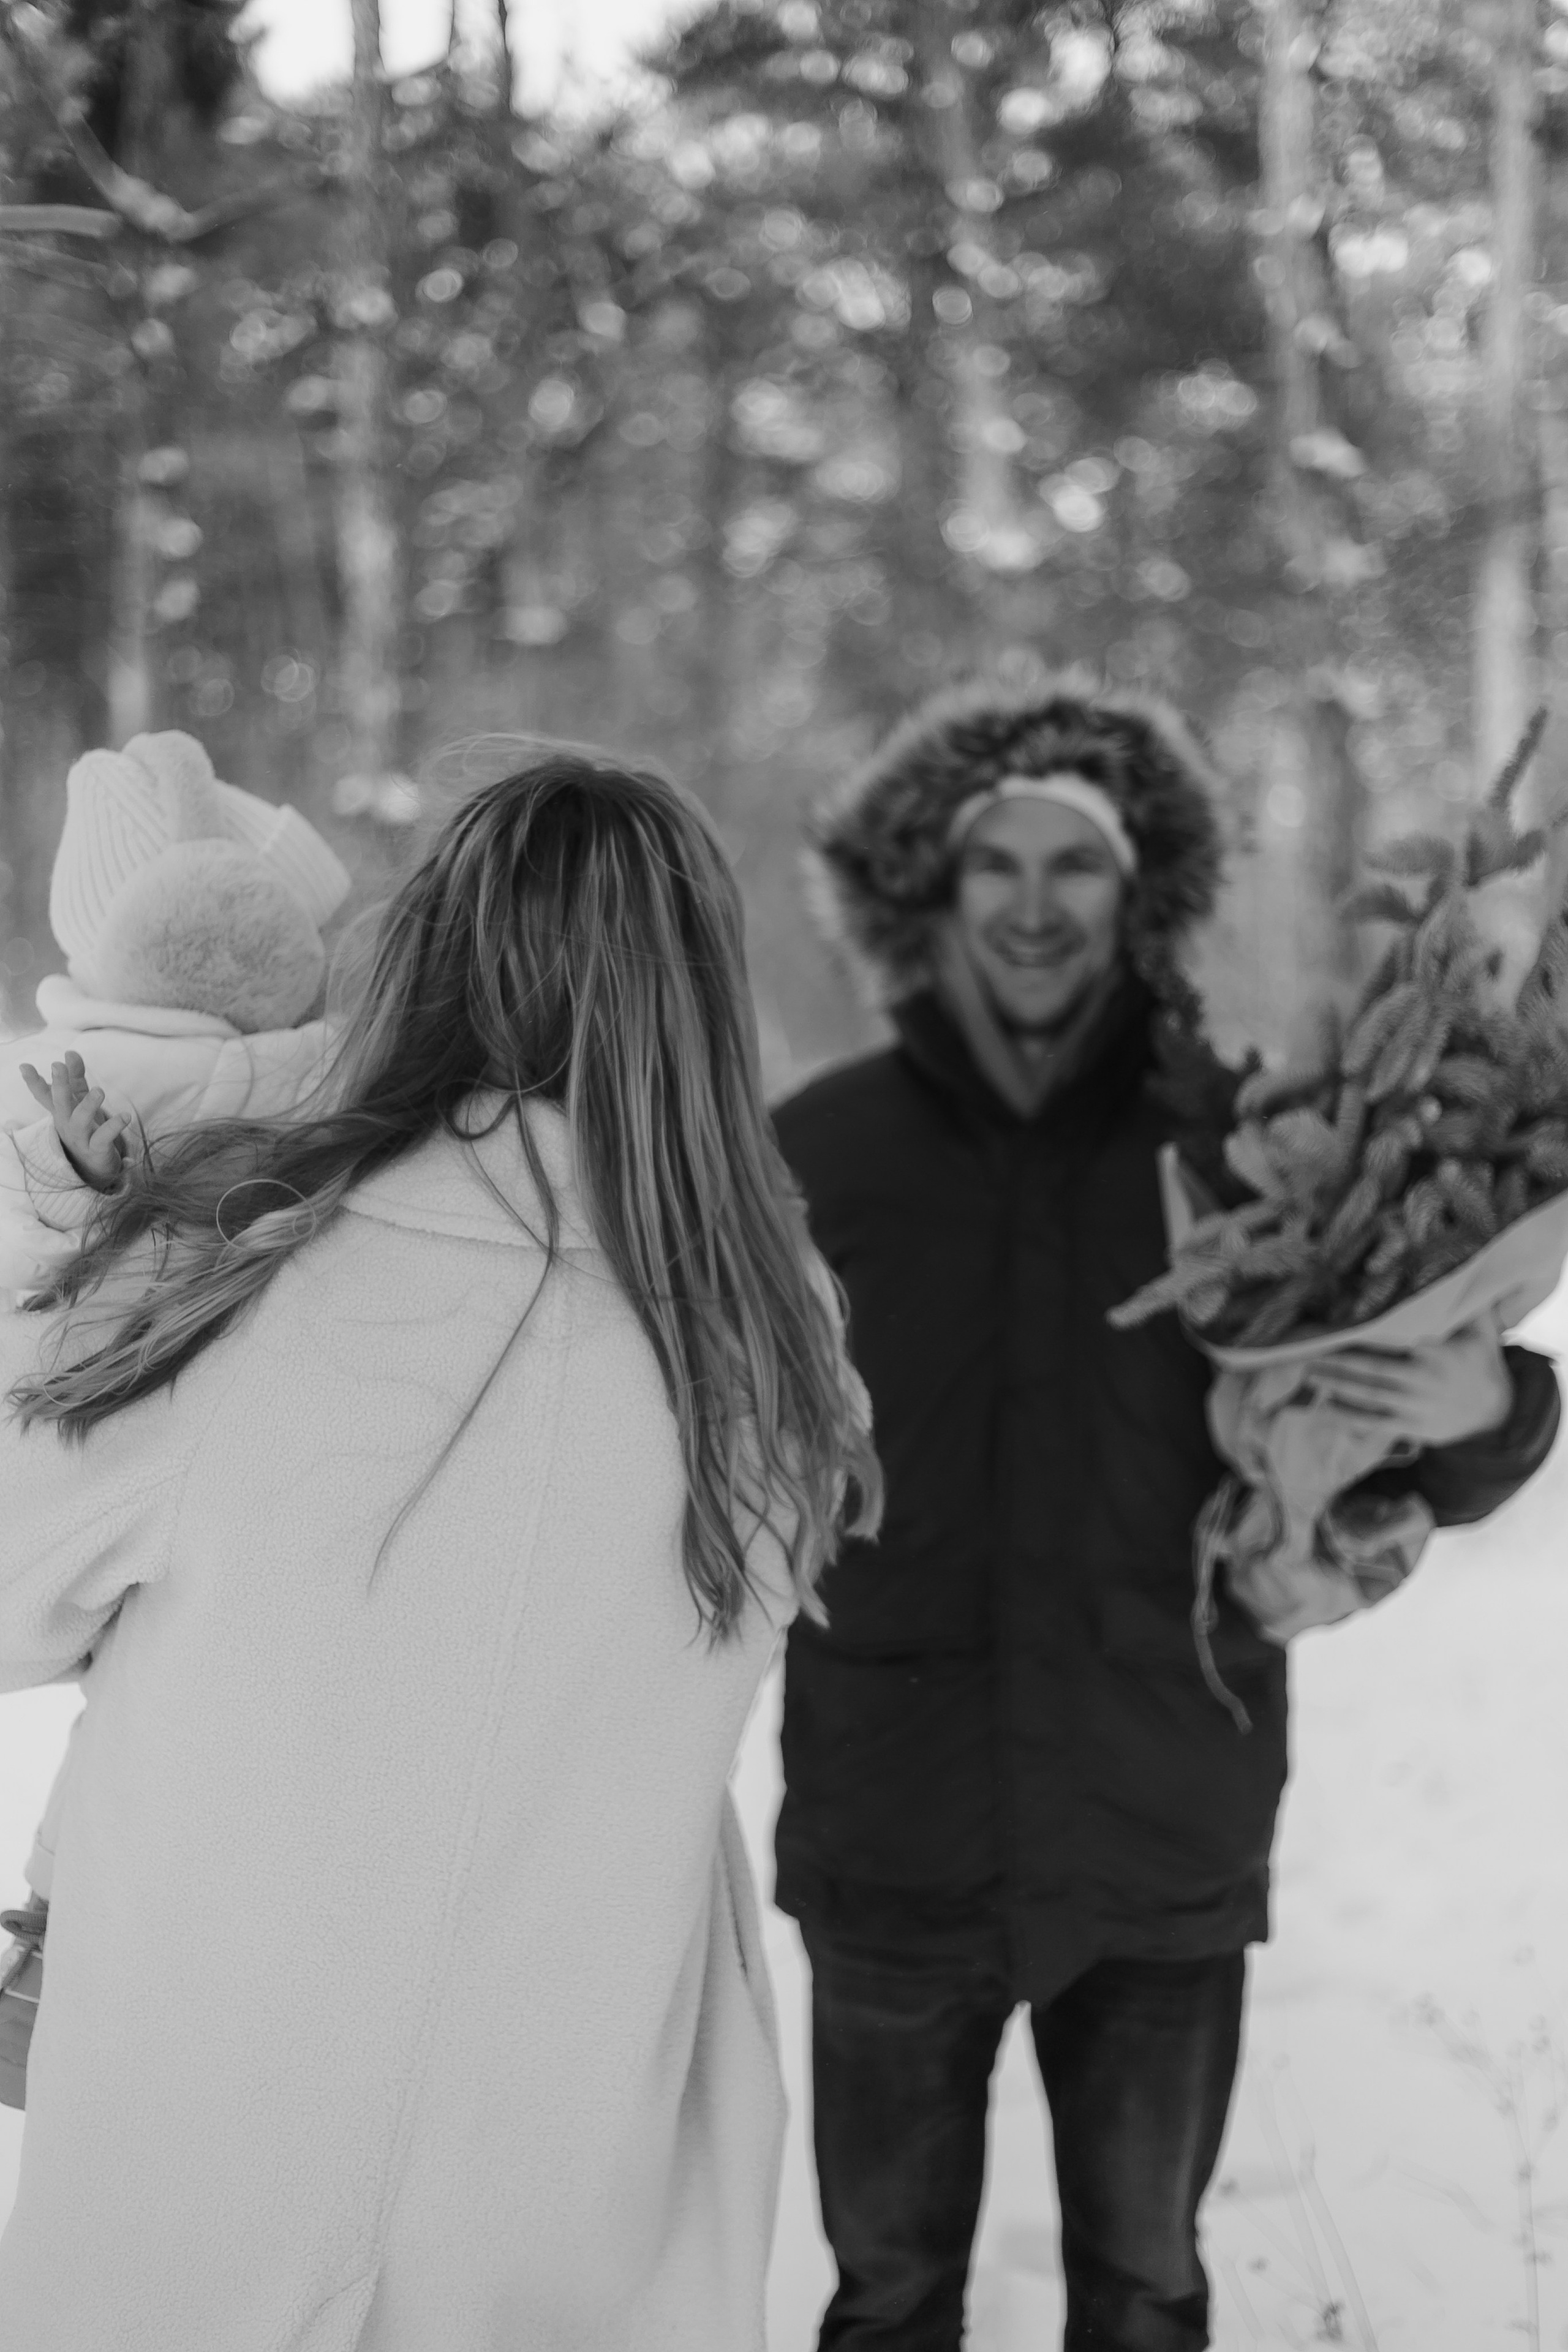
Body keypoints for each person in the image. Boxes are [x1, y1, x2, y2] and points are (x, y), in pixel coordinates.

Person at [0, 748, 880, 2351]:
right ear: (700, 992)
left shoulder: (259, 1264)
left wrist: (69, 1236)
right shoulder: (778, 1343)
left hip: (227, 2146)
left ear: (428, 951)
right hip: (573, 2151)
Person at [769, 671, 1560, 2352]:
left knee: (1145, 2291)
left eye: (1080, 868)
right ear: (937, 890)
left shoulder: (1256, 1140)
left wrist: (1491, 1412)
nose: (1039, 907)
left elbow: (1388, 1418)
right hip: (892, 1825)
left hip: (1159, 1821)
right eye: (1001, 865)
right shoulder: (817, 1157)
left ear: (1141, 897)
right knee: (889, 2293)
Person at [0, 727, 350, 2099]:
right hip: (296, 1467)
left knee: (138, 1717)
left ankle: (60, 1950)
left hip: (125, 1440)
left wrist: (67, 1195)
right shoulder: (336, 1076)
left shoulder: (72, 1091)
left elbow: (34, 1314)